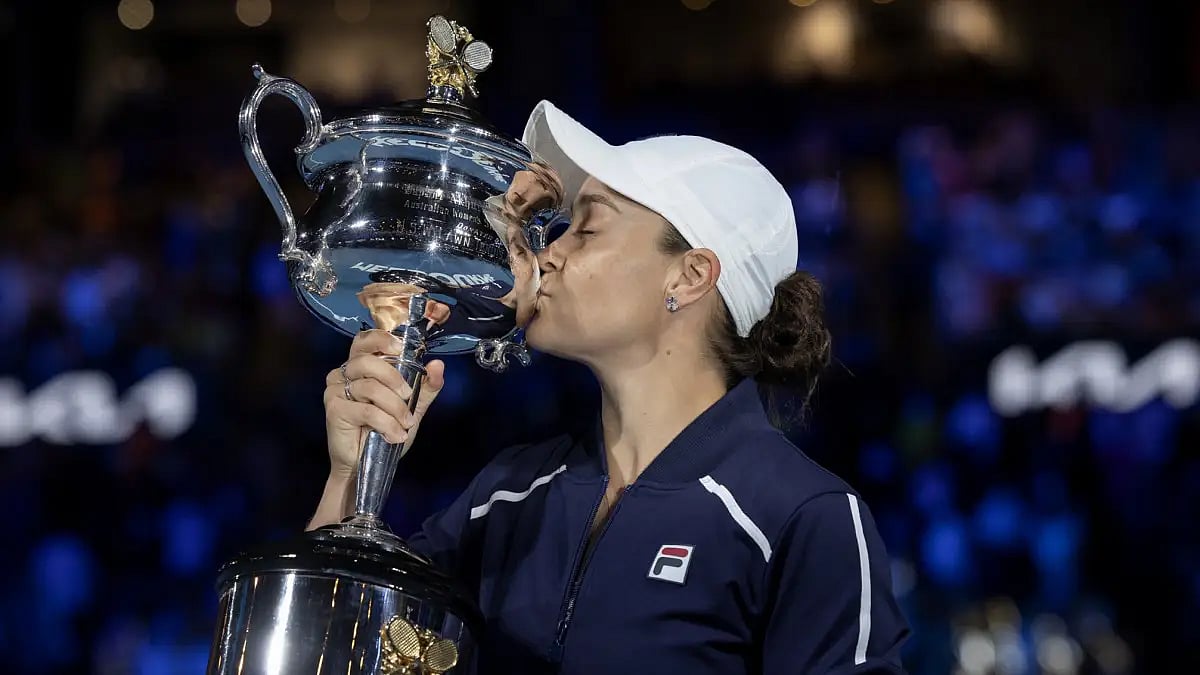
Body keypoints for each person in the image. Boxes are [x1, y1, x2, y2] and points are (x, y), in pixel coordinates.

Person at [308, 100, 910, 673]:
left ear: (690, 276)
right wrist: (350, 477)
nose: (549, 254)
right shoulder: (508, 492)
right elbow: (331, 647)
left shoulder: (803, 518)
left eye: (587, 229)